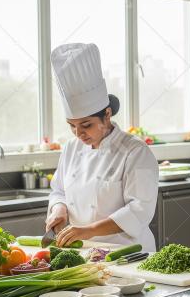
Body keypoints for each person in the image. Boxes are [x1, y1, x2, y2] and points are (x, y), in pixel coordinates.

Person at [45, 43, 159, 250]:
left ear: (107, 115)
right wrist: (59, 209)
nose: (79, 134)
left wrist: (88, 230)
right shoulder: (71, 148)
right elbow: (59, 191)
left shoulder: (136, 152)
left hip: (128, 253)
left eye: (86, 125)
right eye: (72, 126)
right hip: (83, 252)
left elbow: (139, 210)